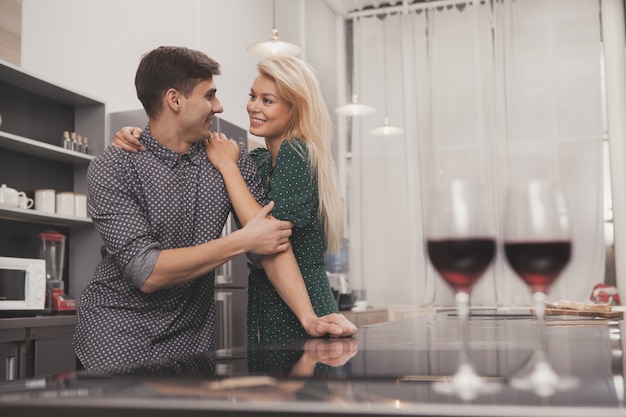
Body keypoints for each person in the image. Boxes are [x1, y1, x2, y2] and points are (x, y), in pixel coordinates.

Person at [74, 46, 350, 372]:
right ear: (175, 100)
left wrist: (309, 318)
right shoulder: (114, 166)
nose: (219, 107)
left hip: (193, 349)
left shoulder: (226, 161)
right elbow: (145, 271)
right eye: (210, 96)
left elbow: (269, 243)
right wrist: (244, 240)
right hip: (115, 343)